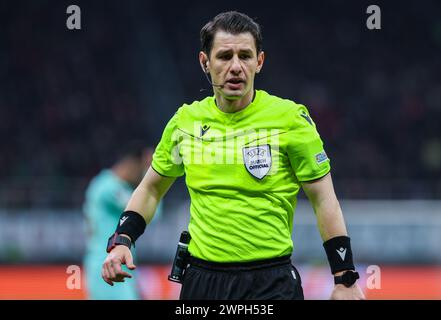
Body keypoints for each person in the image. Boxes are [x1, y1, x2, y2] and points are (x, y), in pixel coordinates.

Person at [101, 11, 365, 300]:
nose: (236, 67)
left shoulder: (291, 119)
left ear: (259, 61)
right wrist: (123, 241)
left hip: (271, 282)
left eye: (245, 56)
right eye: (225, 56)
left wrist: (345, 279)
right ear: (205, 62)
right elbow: (151, 188)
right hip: (202, 282)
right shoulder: (185, 122)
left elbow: (324, 199)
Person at [83, 141, 161, 299]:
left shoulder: (102, 184)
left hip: (113, 262)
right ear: (130, 163)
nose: (140, 176)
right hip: (107, 263)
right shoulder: (109, 187)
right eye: (140, 170)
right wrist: (153, 174)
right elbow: (150, 212)